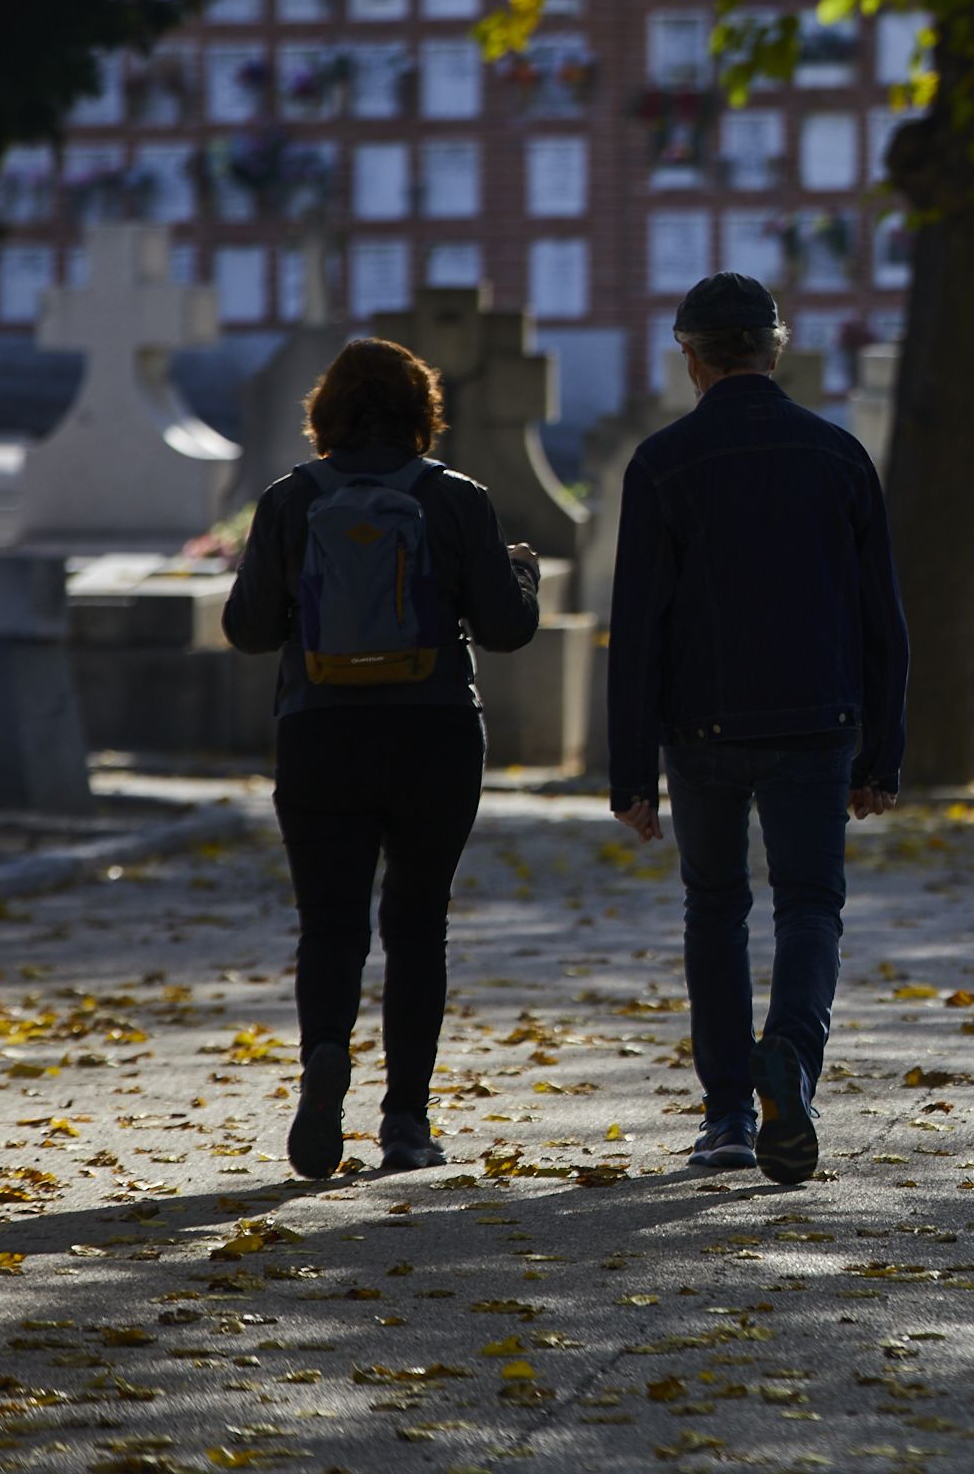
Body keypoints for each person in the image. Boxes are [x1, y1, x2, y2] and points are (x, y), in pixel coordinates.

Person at [608, 274, 907, 1185]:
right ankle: (794, 1069)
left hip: (702, 726)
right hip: (820, 720)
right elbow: (881, 620)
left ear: (691, 358)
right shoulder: (840, 455)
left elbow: (639, 628)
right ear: (776, 348)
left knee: (715, 907)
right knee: (811, 904)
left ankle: (730, 1113)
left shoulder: (661, 463)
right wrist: (883, 752)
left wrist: (630, 772)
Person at [224, 338, 541, 1179]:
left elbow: (248, 631)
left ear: (326, 411)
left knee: (330, 923)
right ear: (421, 413)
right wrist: (524, 580)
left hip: (320, 731)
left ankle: (326, 1054)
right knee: (418, 924)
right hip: (433, 732)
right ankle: (406, 1120)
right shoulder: (455, 499)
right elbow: (506, 631)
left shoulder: (290, 500)